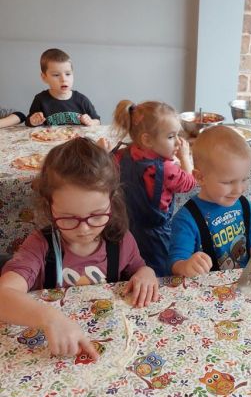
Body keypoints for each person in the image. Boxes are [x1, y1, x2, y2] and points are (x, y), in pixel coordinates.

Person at [0, 137, 158, 359]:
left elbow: (139, 268)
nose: (84, 229)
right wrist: (49, 318)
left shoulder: (121, 241)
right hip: (54, 350)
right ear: (49, 206)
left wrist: (146, 274)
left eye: (96, 215)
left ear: (111, 201)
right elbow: (4, 295)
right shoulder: (40, 246)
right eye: (68, 218)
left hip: (113, 345)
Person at [112, 100, 197, 276]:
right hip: (156, 236)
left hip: (126, 228)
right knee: (159, 272)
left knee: (132, 266)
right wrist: (185, 157)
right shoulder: (166, 169)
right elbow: (190, 183)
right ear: (147, 140)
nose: (178, 142)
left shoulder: (121, 155)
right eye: (171, 137)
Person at [169, 125, 251, 277]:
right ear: (200, 177)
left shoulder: (244, 205)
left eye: (244, 179)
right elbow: (175, 263)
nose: (238, 190)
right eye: (228, 182)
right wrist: (186, 266)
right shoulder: (186, 220)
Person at [25, 48, 100, 127]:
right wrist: (33, 121)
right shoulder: (40, 100)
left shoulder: (82, 100)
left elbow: (97, 121)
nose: (64, 79)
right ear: (44, 77)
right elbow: (28, 122)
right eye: (56, 75)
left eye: (68, 74)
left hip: (77, 135)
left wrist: (91, 122)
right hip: (50, 135)